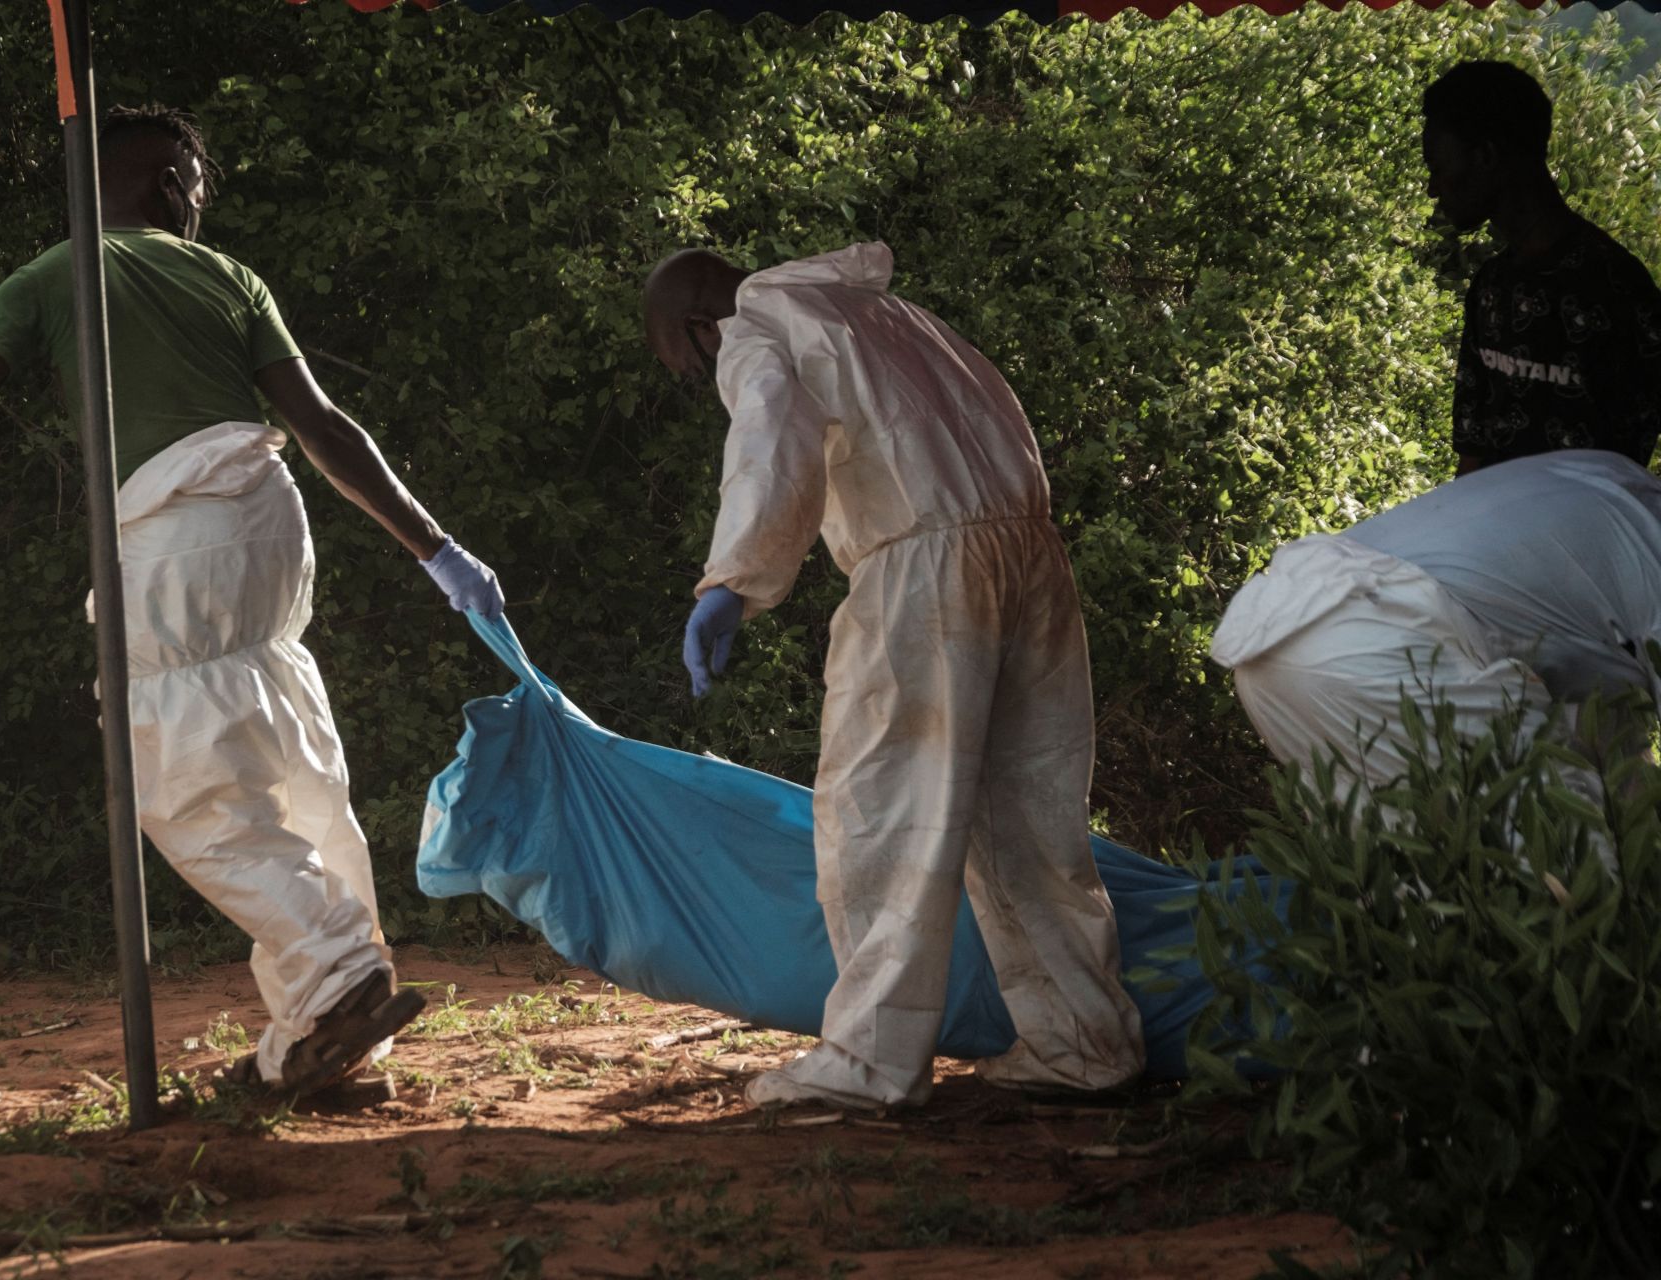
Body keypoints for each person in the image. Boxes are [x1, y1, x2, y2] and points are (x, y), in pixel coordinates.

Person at [0, 106, 504, 1095]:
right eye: (200, 183)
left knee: (184, 777)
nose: (202, 201)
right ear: (171, 183)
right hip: (266, 522)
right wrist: (438, 547)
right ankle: (323, 1041)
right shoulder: (225, 276)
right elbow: (328, 429)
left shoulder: (49, 278)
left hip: (173, 535)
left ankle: (337, 976)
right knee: (286, 751)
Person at [643, 243, 1145, 1110]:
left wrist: (734, 581)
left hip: (925, 569)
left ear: (698, 323)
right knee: (1029, 820)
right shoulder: (888, 315)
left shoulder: (762, 318)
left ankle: (869, 1064)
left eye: (689, 362)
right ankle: (1085, 1044)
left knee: (881, 808)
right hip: (1030, 552)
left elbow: (769, 446)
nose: (703, 377)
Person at [1212, 450, 1661, 819]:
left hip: (1268, 646)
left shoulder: (1600, 474)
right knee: (1560, 850)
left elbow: (1601, 726)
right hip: (1383, 643)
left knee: (1398, 876)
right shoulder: (1646, 539)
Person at [1422, 60, 1661, 476]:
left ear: (1485, 157)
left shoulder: (1616, 288)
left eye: (1438, 168)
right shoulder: (1492, 287)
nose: (1432, 187)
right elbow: (1472, 455)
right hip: (1495, 536)